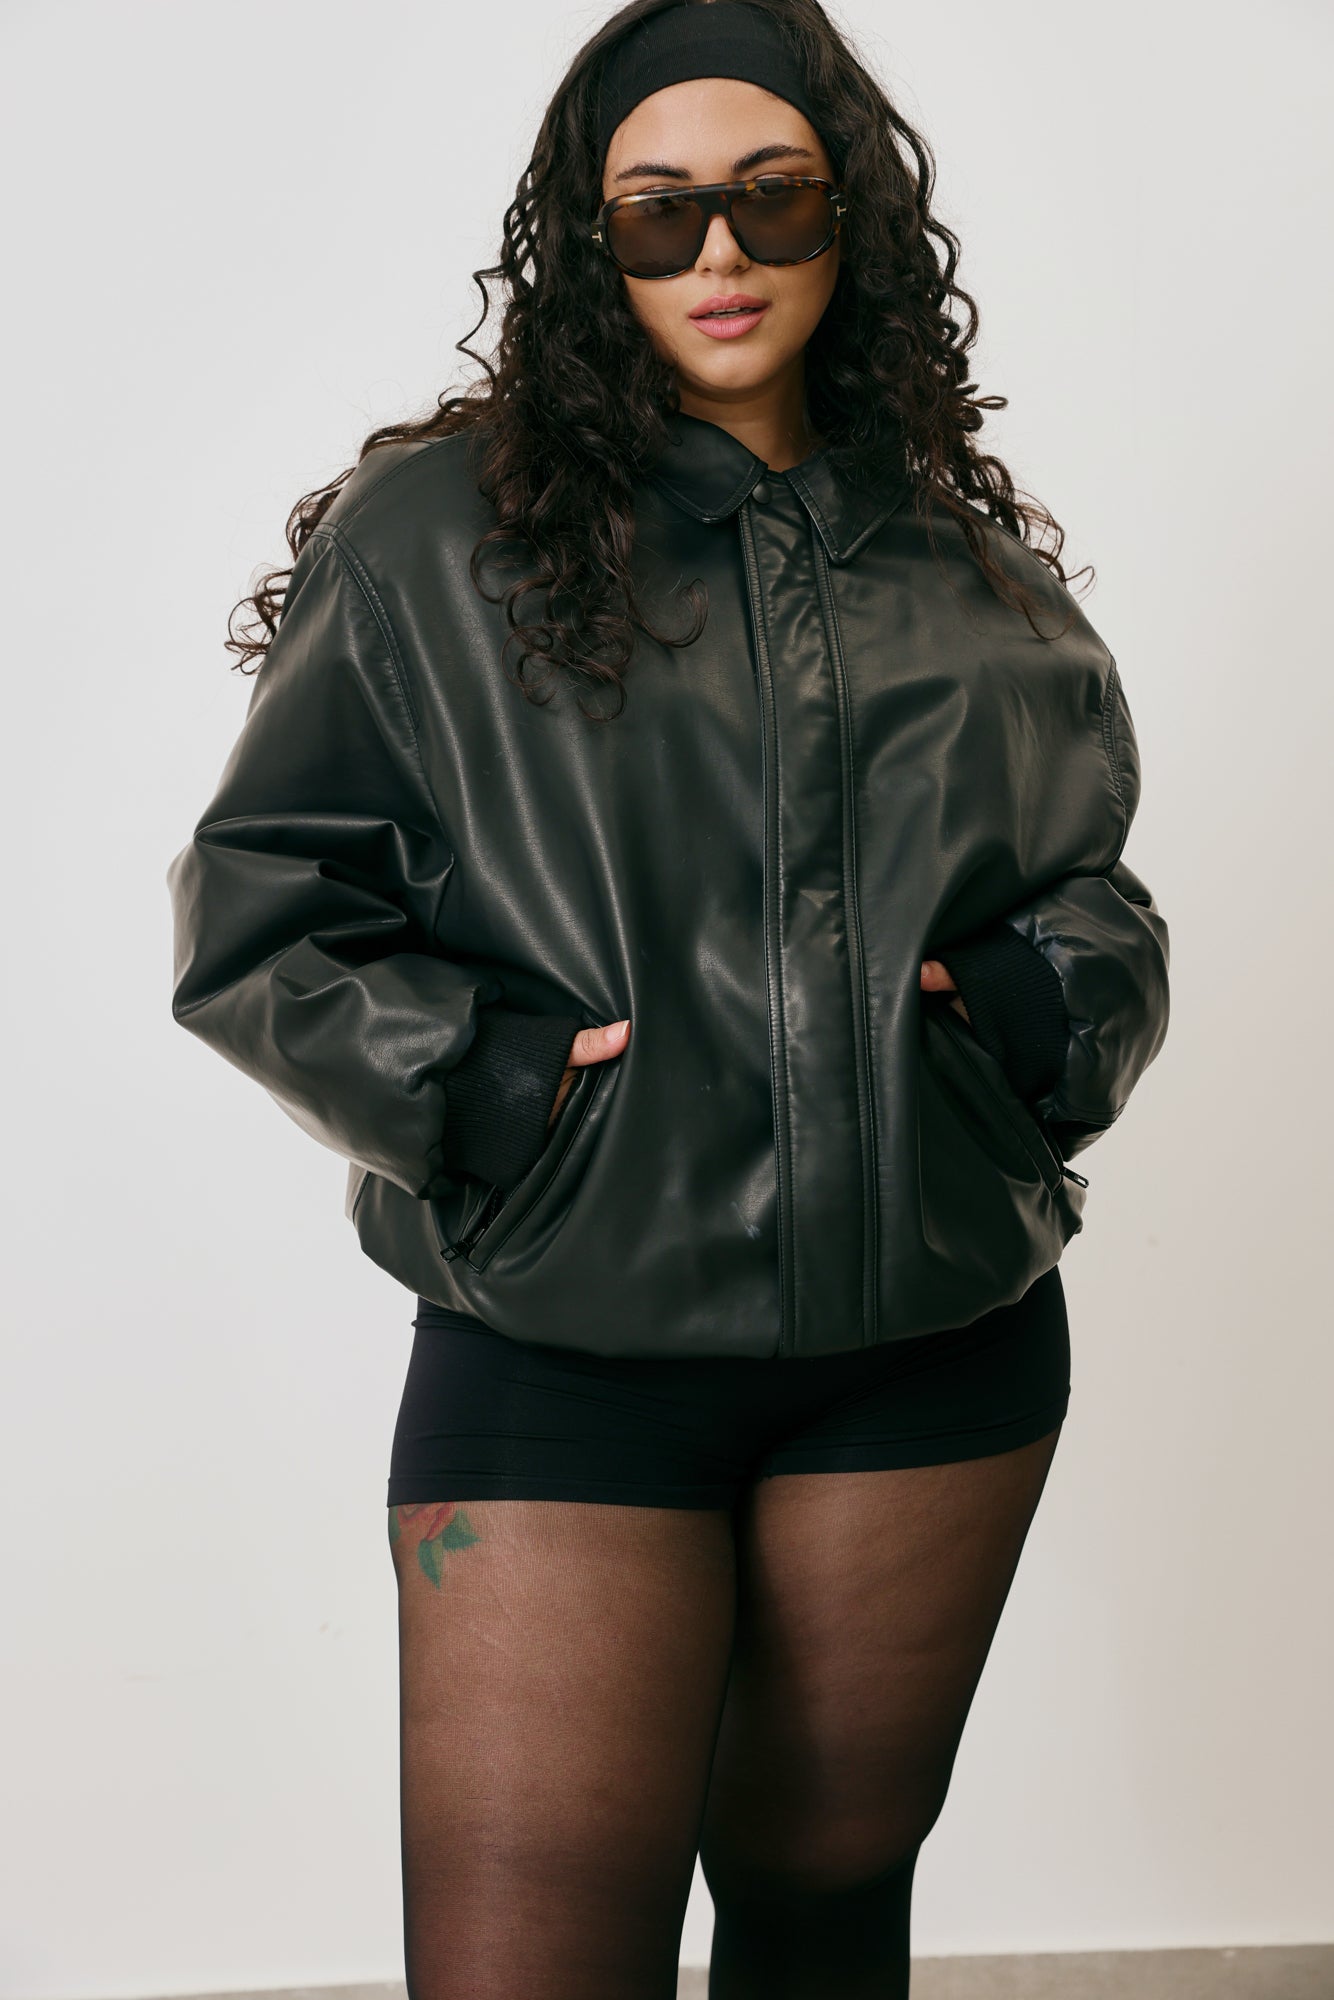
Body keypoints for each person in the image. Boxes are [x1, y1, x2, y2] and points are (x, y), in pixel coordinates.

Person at [166, 2, 1171, 1993]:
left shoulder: (967, 568)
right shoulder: (433, 541)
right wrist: (492, 1084)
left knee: (821, 1931)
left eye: (769, 198)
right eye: (658, 212)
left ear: (848, 220)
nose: (719, 251)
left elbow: (1094, 896)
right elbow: (262, 910)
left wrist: (1027, 1023)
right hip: (562, 1346)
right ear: (589, 244)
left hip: (932, 1342)